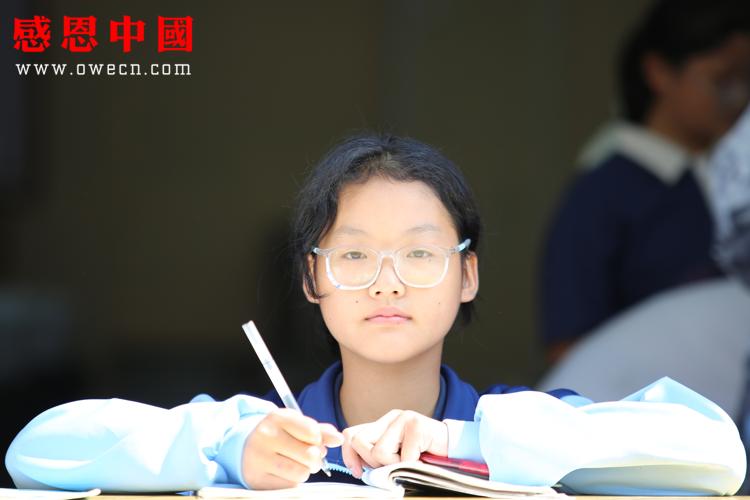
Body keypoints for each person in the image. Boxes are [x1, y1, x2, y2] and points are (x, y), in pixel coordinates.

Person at [5, 134, 746, 495]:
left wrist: (462, 444)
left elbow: (716, 454)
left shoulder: (512, 430)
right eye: (354, 255)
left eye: (420, 253)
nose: (387, 284)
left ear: (467, 276)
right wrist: (226, 446)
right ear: (311, 280)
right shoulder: (256, 437)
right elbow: (36, 449)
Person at [539, 0, 750, 362]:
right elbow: (568, 348)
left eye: (747, 81)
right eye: (723, 80)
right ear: (659, 72)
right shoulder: (605, 192)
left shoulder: (730, 177)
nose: (740, 98)